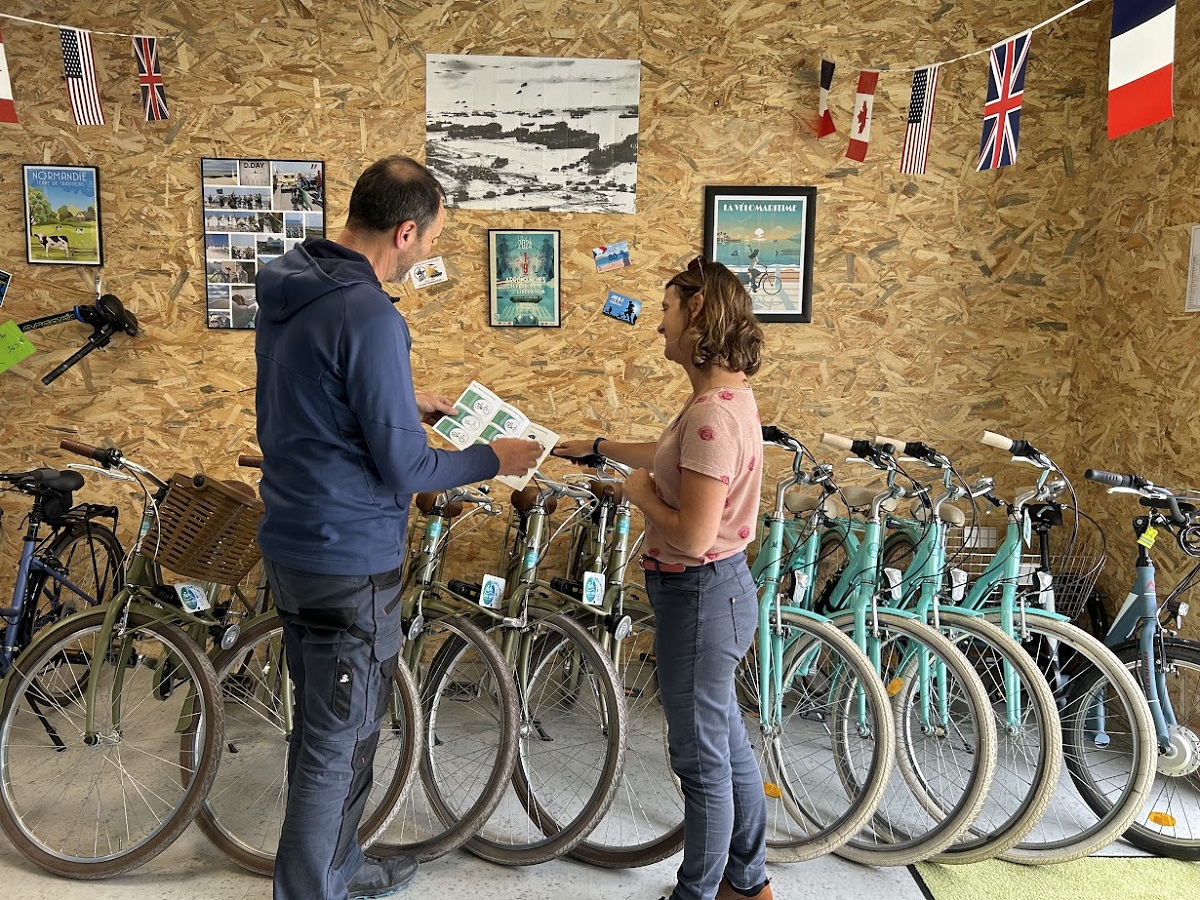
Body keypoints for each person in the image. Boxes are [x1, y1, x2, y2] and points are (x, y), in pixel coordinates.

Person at [254, 154, 542, 900]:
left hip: (296, 542)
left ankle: (339, 867)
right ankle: (310, 889)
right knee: (335, 739)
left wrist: (398, 404)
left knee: (333, 730)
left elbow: (321, 407)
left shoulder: (296, 285)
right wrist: (492, 456)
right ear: (405, 231)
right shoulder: (368, 313)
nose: (432, 254)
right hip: (347, 556)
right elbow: (409, 471)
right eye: (433, 241)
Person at [553, 257, 770, 900]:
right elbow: (678, 457)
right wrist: (598, 447)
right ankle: (748, 883)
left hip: (700, 595)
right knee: (726, 748)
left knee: (701, 763)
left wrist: (638, 494)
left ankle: (697, 893)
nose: (660, 327)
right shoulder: (724, 400)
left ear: (698, 316)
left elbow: (692, 532)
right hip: (718, 594)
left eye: (669, 310)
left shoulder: (710, 416)